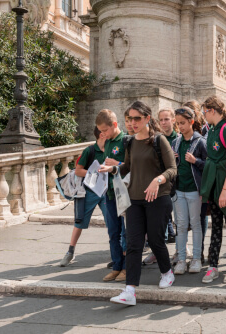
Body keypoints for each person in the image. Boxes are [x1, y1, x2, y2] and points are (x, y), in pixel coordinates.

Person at [103, 101, 177, 306]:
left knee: (155, 240)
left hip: (158, 198)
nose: (133, 122)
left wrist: (158, 180)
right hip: (134, 199)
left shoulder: (159, 140)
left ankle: (167, 271)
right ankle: (129, 291)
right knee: (134, 244)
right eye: (129, 119)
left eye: (137, 118)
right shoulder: (129, 141)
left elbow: (172, 169)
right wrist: (114, 169)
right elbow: (127, 167)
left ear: (146, 118)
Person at [200, 96, 226, 284]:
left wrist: (225, 190)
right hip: (214, 185)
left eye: (205, 112)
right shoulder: (211, 130)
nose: (203, 115)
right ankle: (213, 266)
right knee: (216, 226)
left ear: (212, 111)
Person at [59, 127, 112, 269]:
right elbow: (78, 171)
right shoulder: (89, 150)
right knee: (79, 221)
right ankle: (70, 251)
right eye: (108, 131)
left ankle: (116, 252)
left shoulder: (111, 149)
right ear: (102, 134)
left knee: (112, 222)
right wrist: (95, 172)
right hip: (88, 192)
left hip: (106, 192)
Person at [171, 106, 207, 274]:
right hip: (178, 190)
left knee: (196, 224)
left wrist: (196, 161)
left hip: (194, 190)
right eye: (178, 123)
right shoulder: (175, 142)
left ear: (192, 122)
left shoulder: (200, 142)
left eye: (183, 123)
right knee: (181, 225)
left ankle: (197, 259)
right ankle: (181, 259)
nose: (180, 127)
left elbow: (209, 165)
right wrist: (172, 159)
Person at [95, 109, 127, 282]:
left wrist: (117, 164)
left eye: (105, 130)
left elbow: (132, 165)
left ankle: (127, 268)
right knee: (113, 232)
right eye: (101, 131)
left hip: (123, 192)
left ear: (114, 125)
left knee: (126, 232)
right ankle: (116, 265)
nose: (102, 134)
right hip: (109, 192)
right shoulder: (107, 142)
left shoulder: (126, 140)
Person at [183, 100, 209, 264]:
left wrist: (195, 161)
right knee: (184, 220)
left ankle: (199, 251)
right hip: (185, 183)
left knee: (200, 218)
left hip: (201, 182)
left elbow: (207, 161)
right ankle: (184, 251)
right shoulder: (182, 134)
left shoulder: (205, 133)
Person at [157, 108, 177, 243]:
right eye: (161, 120)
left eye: (166, 119)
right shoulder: (156, 138)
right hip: (161, 182)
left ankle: (181, 249)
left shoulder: (179, 139)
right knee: (161, 217)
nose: (163, 123)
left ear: (173, 120)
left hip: (176, 183)